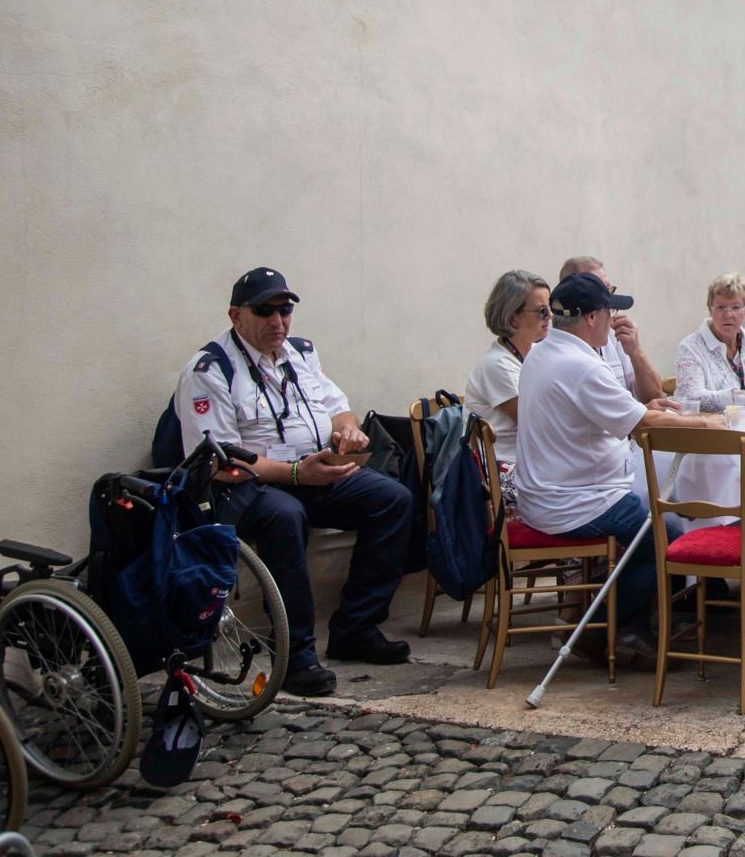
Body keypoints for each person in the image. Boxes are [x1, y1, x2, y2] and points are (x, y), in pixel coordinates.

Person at [172, 267, 414, 697]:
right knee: (286, 516)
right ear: (236, 315)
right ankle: (295, 654)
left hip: (311, 472)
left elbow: (338, 408)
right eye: (264, 311)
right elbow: (218, 462)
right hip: (245, 486)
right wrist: (298, 473)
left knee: (392, 499)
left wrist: (348, 432)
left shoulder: (299, 353)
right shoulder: (210, 369)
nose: (278, 321)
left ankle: (356, 627)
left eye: (284, 310)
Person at [514, 272, 726, 661]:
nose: (613, 321)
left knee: (655, 524)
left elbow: (611, 413)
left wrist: (642, 409)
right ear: (591, 317)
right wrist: (711, 423)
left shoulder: (542, 351)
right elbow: (643, 426)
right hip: (577, 501)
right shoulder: (580, 365)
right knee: (670, 538)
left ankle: (624, 626)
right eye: (609, 312)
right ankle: (604, 629)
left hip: (546, 492)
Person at [464, 269, 552, 506]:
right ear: (513, 319)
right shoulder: (497, 364)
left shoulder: (535, 353)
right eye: (542, 311)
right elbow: (535, 424)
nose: (550, 316)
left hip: (533, 462)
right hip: (502, 472)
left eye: (550, 307)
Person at [558, 256, 664, 403]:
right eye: (599, 291)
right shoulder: (559, 347)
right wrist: (642, 412)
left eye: (609, 290)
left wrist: (636, 352)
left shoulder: (613, 334)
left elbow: (654, 397)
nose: (610, 310)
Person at [677, 272, 745, 408]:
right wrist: (733, 397)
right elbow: (690, 398)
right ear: (710, 310)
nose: (728, 315)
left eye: (736, 307)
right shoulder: (690, 348)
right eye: (720, 307)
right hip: (711, 422)